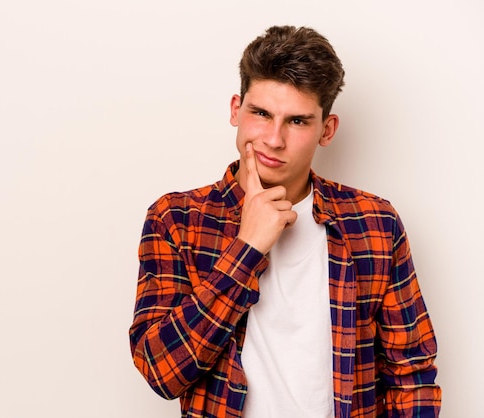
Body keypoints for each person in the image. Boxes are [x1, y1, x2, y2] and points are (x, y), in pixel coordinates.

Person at [128, 25, 441, 417]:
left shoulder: (375, 224)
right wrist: (246, 249)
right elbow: (162, 372)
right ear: (235, 110)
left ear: (326, 130)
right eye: (261, 113)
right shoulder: (176, 219)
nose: (273, 139)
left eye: (297, 121)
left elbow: (411, 374)